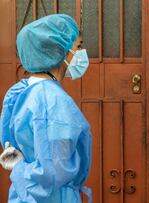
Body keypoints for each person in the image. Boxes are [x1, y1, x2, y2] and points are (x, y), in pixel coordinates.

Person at [0, 14, 92, 203]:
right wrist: (20, 169)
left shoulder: (23, 91)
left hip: (23, 195)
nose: (81, 53)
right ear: (60, 50)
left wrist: (19, 167)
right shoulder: (51, 101)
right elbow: (49, 175)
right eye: (78, 46)